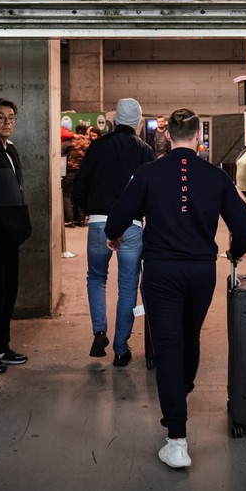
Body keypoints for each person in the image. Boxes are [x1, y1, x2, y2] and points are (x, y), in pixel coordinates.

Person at [104, 107, 246, 469]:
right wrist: (234, 251)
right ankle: (180, 392)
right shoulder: (215, 176)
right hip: (202, 272)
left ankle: (176, 438)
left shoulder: (148, 173)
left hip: (162, 272)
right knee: (191, 336)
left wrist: (113, 236)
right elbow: (244, 228)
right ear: (199, 137)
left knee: (168, 345)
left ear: (167, 135)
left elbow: (117, 219)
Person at [72, 98, 154, 366]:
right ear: (139, 122)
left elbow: (79, 187)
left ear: (114, 120)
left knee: (96, 277)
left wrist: (93, 211)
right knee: (128, 286)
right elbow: (150, 195)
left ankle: (99, 331)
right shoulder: (144, 149)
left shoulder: (97, 146)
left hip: (98, 223)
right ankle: (121, 348)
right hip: (132, 226)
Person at [0, 98, 32, 374]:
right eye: (0, 117)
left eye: (11, 118)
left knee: (9, 292)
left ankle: (2, 346)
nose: (6, 123)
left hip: (12, 234)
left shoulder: (10, 149)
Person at [64, 124, 90, 227]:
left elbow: (60, 152)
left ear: (76, 130)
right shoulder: (88, 143)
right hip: (83, 173)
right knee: (81, 194)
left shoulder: (70, 142)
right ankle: (81, 220)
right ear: (85, 131)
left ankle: (70, 220)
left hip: (70, 172)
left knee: (67, 195)